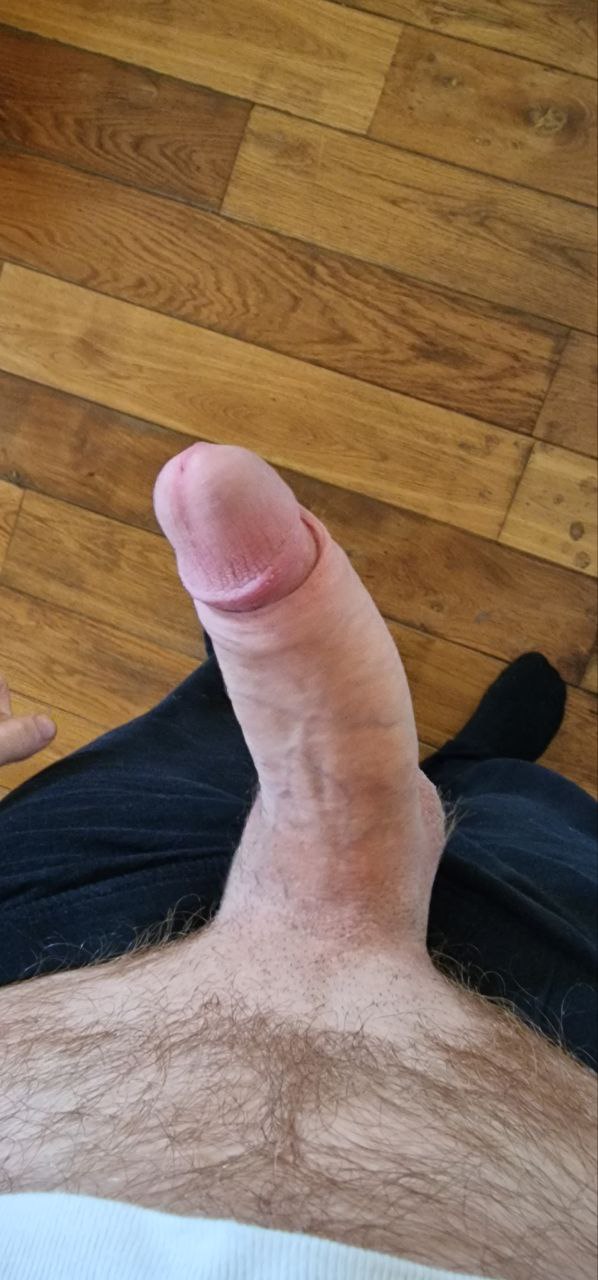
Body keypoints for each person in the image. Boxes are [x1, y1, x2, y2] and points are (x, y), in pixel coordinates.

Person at [0, 443, 596, 1280]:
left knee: (190, 742)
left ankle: (227, 688)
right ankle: (476, 765)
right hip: (550, 1053)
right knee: (520, 819)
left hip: (36, 954)